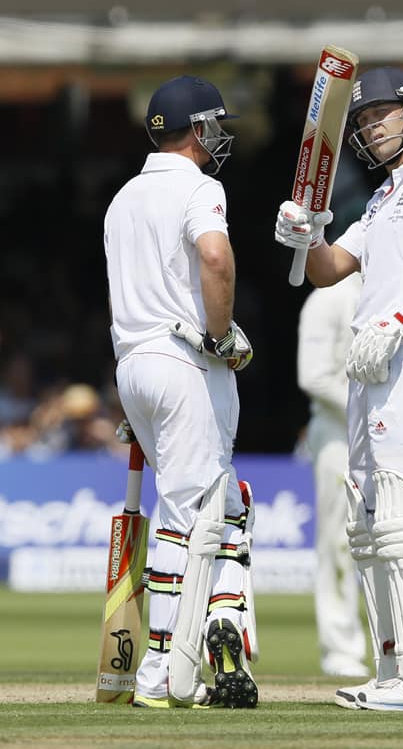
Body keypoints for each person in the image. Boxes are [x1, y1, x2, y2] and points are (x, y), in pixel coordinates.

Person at [275, 66, 403, 712]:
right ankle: (397, 671)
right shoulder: (381, 198)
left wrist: (400, 321)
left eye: (381, 114)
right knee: (372, 525)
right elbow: (328, 270)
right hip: (375, 364)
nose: (370, 126)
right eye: (363, 120)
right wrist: (306, 229)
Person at [104, 75, 258, 709]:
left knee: (223, 507)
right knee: (190, 515)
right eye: (213, 126)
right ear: (194, 130)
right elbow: (215, 258)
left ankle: (209, 630)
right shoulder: (200, 186)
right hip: (184, 360)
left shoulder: (121, 198)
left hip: (133, 366)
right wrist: (219, 336)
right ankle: (163, 670)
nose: (218, 138)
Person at [297, 272, 369, 678]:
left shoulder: (395, 286)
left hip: (386, 437)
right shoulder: (330, 297)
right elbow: (314, 376)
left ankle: (396, 644)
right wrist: (369, 411)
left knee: (392, 542)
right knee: (339, 542)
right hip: (339, 436)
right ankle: (341, 648)